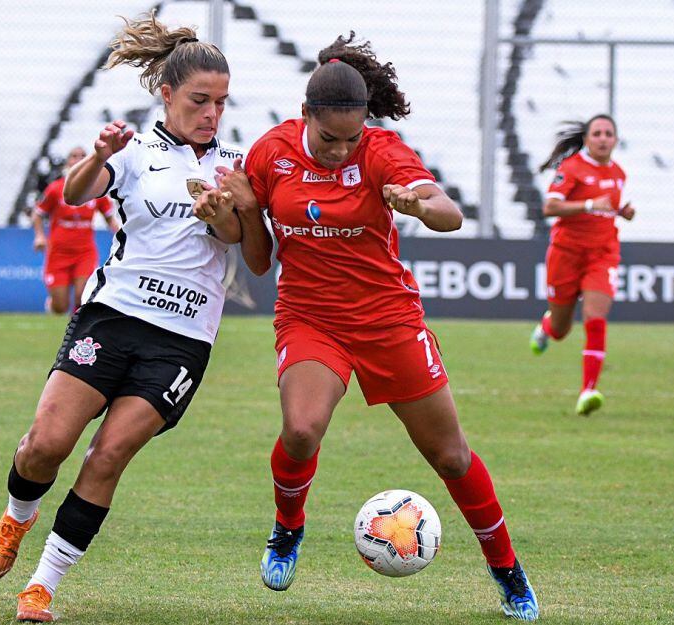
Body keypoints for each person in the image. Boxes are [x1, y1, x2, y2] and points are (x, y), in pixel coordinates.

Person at [214, 34, 539, 621]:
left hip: (388, 319)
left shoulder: (382, 151)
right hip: (310, 317)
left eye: (352, 138)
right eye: (328, 139)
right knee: (301, 430)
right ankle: (287, 530)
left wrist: (417, 205)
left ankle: (507, 571)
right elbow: (259, 262)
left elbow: (448, 213)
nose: (341, 150)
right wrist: (246, 209)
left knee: (451, 457)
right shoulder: (271, 152)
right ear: (305, 114)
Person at [0, 12, 242, 623]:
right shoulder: (135, 151)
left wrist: (223, 212)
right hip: (112, 316)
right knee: (46, 445)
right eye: (199, 100)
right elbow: (76, 193)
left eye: (221, 103)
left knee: (107, 456)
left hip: (183, 340)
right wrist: (99, 154)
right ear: (166, 94)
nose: (211, 114)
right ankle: (16, 517)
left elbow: (242, 241)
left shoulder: (236, 162)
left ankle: (42, 587)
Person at [529, 115, 635, 416]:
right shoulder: (571, 168)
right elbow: (550, 207)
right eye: (597, 133)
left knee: (595, 317)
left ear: (615, 140)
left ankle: (588, 390)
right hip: (566, 254)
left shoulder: (619, 173)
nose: (603, 138)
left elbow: (607, 207)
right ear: (587, 139)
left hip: (602, 255)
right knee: (561, 329)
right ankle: (547, 326)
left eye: (608, 134)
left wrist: (622, 212)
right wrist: (589, 205)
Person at [32, 146, 122, 315]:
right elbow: (37, 214)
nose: (78, 159)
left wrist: (121, 234)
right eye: (74, 156)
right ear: (67, 162)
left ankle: (74, 327)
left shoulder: (97, 189)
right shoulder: (55, 188)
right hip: (58, 253)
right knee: (60, 307)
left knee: (82, 295)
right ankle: (53, 303)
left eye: (82, 156)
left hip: (84, 252)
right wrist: (39, 236)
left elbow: (110, 217)